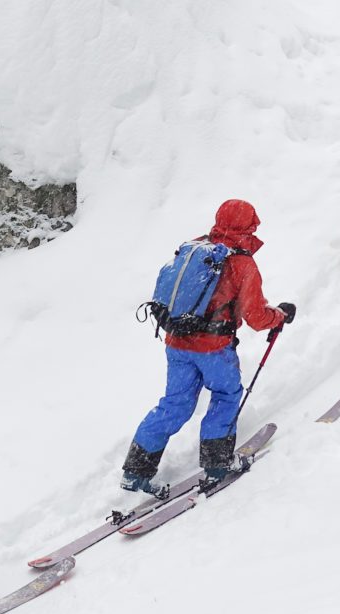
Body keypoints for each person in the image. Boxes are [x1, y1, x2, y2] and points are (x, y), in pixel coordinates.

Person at [121, 200, 292, 495]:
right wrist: (280, 315)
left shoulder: (195, 248)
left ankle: (135, 471)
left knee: (174, 404)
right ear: (249, 226)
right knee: (226, 395)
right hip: (213, 349)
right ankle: (217, 465)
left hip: (176, 343)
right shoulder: (242, 262)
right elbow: (255, 316)